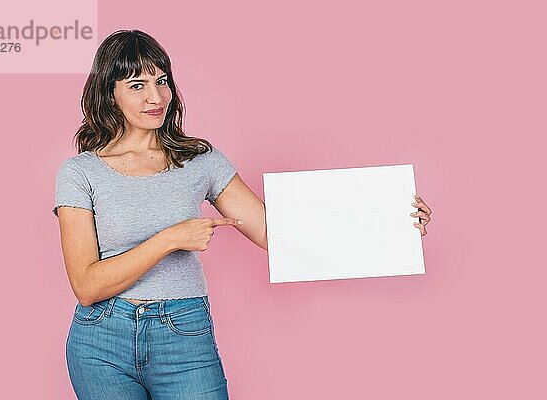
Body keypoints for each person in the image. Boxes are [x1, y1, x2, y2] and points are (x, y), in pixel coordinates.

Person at [52, 29, 433, 400]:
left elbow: (275, 234)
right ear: (109, 92)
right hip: (101, 339)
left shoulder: (200, 161)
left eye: (162, 80)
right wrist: (172, 238)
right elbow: (87, 285)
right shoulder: (80, 172)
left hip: (183, 332)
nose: (156, 96)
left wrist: (391, 221)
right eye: (137, 84)